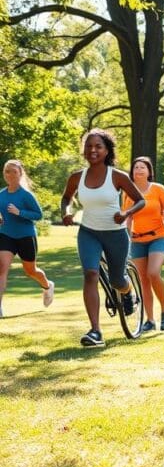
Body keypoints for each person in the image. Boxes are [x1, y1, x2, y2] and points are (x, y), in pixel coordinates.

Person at [61, 129, 145, 347]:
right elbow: (66, 198)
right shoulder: (77, 177)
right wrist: (66, 212)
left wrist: (126, 213)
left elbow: (140, 200)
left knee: (117, 281)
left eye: (98, 146)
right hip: (88, 233)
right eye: (89, 146)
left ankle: (127, 292)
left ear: (107, 151)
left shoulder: (117, 176)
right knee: (90, 274)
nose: (93, 150)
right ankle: (95, 331)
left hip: (116, 235)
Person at [123, 156, 164, 332]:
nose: (139, 170)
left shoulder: (158, 189)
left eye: (142, 167)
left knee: (153, 273)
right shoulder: (128, 191)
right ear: (132, 172)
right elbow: (127, 217)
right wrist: (126, 236)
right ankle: (150, 320)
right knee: (143, 281)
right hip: (137, 240)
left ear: (149, 172)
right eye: (136, 167)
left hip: (158, 237)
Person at [0, 160, 55, 318]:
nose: (10, 175)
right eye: (7, 171)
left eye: (14, 171)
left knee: (30, 271)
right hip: (6, 235)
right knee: (1, 268)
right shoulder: (1, 194)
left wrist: (20, 212)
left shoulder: (26, 195)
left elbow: (38, 215)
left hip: (25, 236)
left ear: (20, 174)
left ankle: (47, 286)